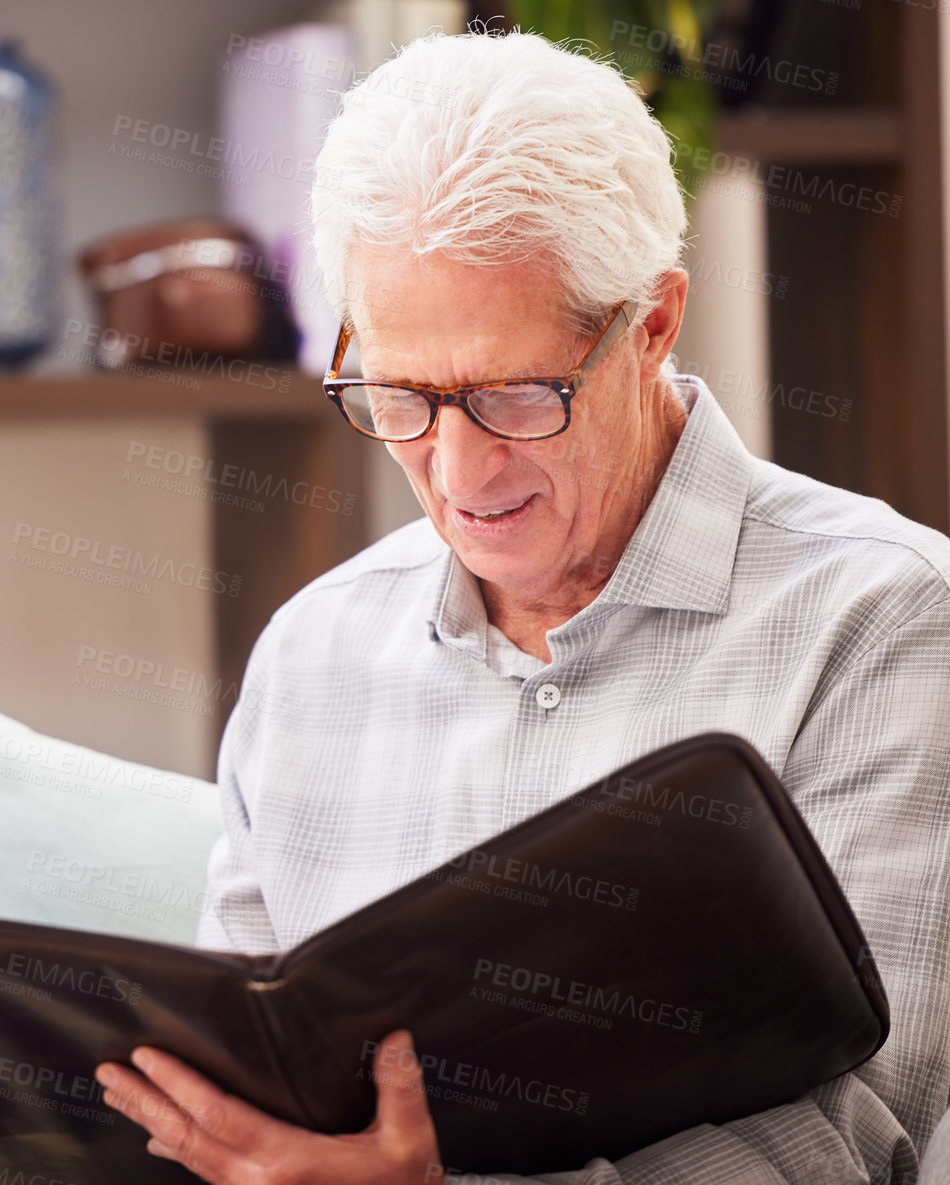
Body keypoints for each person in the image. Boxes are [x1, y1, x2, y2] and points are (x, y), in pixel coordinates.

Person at [96, 27, 950, 1185]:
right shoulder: (314, 650)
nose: (459, 473)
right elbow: (250, 1069)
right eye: (400, 394)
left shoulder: (885, 619)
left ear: (652, 324)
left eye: (512, 394)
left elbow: (857, 1134)